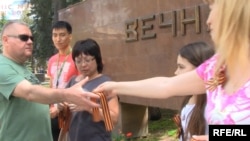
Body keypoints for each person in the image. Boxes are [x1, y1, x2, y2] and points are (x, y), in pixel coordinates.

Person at [94, 0, 250, 140]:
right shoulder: (216, 67)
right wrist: (114, 87)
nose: (208, 21)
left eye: (212, 7)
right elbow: (166, 85)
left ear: (233, 11)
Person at [0, 21, 99, 141]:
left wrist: (89, 108)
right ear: (5, 40)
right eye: (24, 38)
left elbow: (110, 120)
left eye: (88, 59)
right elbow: (30, 92)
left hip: (76, 121)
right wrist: (62, 101)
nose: (30, 42)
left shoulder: (104, 85)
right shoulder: (3, 66)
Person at [64, 38, 119, 141]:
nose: (83, 64)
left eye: (87, 60)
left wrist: (88, 107)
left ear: (97, 59)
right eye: (78, 61)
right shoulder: (72, 82)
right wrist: (60, 106)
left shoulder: (105, 83)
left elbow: (113, 119)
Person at [172, 42, 214, 141]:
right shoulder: (188, 101)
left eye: (181, 67)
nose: (176, 72)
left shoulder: (215, 107)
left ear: (201, 69)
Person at [47, 20, 79, 141]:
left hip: (70, 112)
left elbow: (79, 87)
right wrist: (51, 107)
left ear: (70, 36)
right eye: (55, 35)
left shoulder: (77, 59)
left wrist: (60, 107)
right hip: (54, 112)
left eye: (62, 35)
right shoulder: (51, 60)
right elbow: (51, 86)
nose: (58, 39)